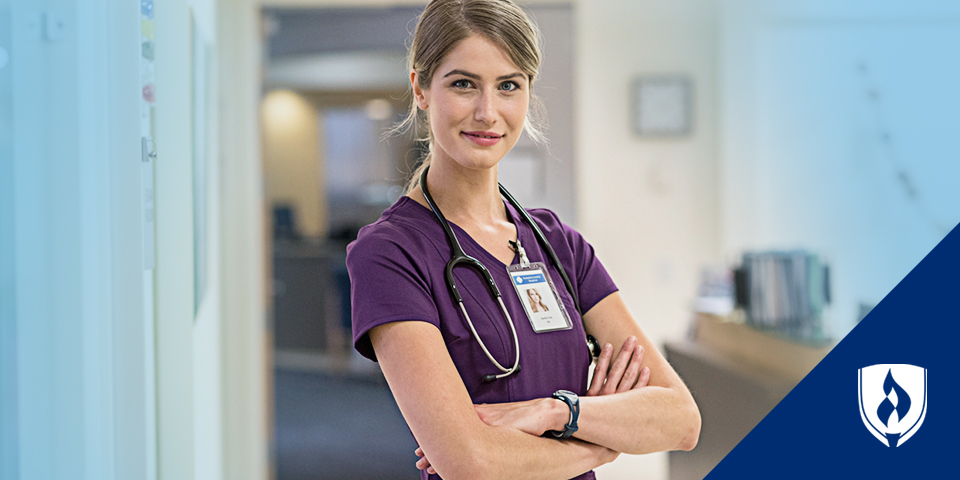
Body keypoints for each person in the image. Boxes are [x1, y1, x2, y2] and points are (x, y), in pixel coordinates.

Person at [346, 1, 701, 478]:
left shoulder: (559, 244)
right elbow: (471, 464)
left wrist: (560, 411)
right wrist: (603, 444)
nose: (487, 112)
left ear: (528, 93)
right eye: (463, 84)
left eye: (508, 85)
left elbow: (681, 421)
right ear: (421, 88)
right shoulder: (389, 254)